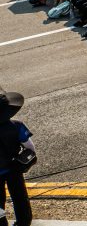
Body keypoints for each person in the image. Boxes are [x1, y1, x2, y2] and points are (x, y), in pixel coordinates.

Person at [0, 90, 34, 226]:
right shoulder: (17, 126)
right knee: (20, 198)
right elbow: (30, 148)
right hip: (14, 168)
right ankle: (23, 222)